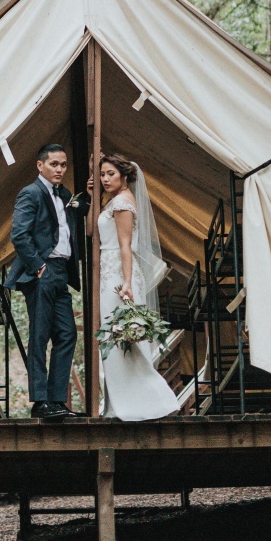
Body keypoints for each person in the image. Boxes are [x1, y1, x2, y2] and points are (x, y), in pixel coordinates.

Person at [4, 143, 89, 422]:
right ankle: (40, 402)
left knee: (67, 334)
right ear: (40, 165)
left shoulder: (64, 194)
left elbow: (74, 216)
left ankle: (56, 400)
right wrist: (38, 265)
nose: (60, 169)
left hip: (61, 272)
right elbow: (19, 234)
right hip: (41, 272)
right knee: (40, 336)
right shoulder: (30, 193)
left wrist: (88, 194)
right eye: (54, 164)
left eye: (63, 165)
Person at [96, 153, 179, 422]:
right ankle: (121, 401)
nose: (105, 178)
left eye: (110, 174)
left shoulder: (122, 203)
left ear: (123, 176)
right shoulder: (112, 201)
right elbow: (91, 231)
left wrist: (128, 283)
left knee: (121, 336)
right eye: (102, 174)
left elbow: (124, 246)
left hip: (119, 276)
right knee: (115, 337)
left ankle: (145, 400)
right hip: (111, 272)